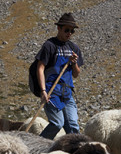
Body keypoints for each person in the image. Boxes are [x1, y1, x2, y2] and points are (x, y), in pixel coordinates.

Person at [34, 12, 84, 140]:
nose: (69, 33)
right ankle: (38, 145)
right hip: (52, 92)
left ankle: (74, 152)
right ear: (59, 28)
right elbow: (40, 68)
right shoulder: (49, 45)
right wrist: (43, 91)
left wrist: (74, 63)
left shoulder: (74, 48)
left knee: (73, 126)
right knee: (57, 123)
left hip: (67, 93)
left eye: (72, 31)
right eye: (67, 30)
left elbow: (76, 74)